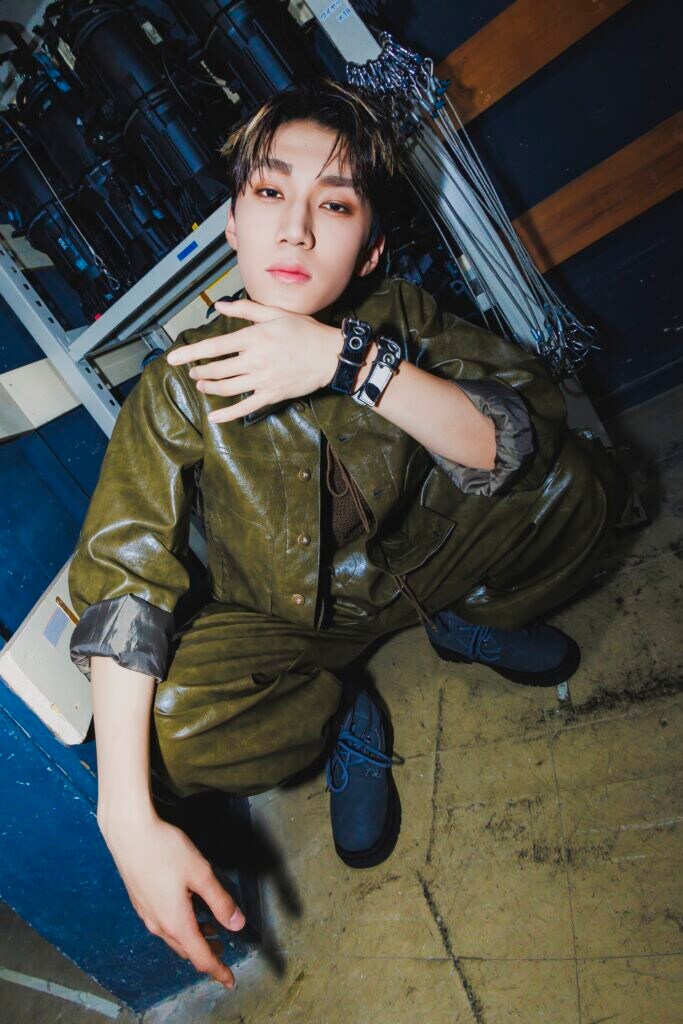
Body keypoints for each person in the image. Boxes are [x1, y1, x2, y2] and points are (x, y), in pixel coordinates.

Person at [67, 77, 633, 990]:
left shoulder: (396, 316)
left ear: (368, 249)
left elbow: (520, 432)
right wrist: (124, 817)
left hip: (422, 563)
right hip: (292, 631)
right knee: (168, 726)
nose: (295, 228)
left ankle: (462, 619)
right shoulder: (177, 384)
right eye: (270, 192)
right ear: (233, 224)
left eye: (333, 204)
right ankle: (337, 713)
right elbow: (123, 580)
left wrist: (346, 361)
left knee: (578, 484)